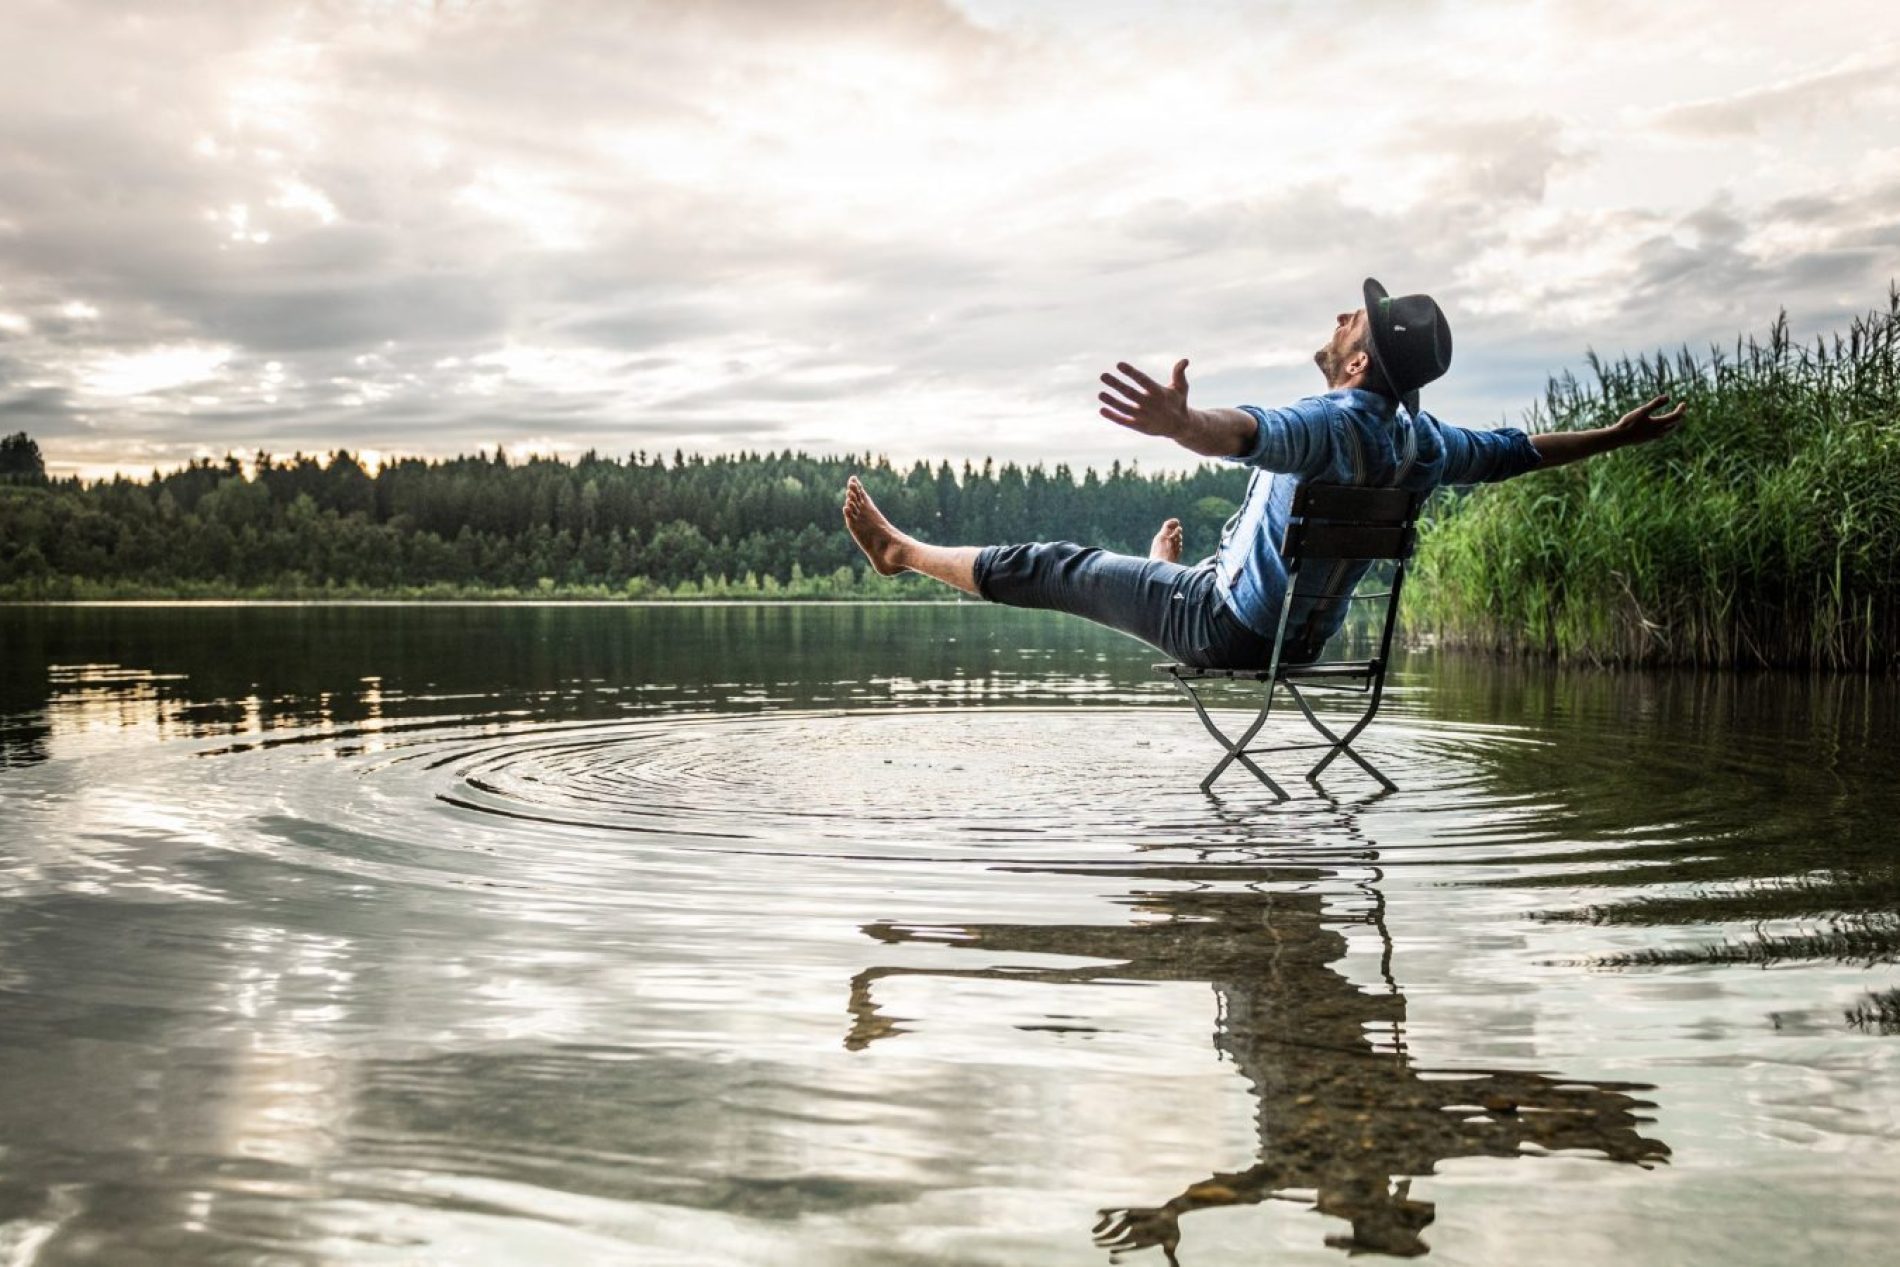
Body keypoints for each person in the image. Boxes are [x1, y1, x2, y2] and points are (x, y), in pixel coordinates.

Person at [841, 278, 1687, 668]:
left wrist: (1183, 425)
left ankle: (903, 554)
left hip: (1229, 630)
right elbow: (1513, 451)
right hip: (1303, 643)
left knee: (1058, 566)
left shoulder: (1329, 425)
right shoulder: (1424, 444)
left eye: (1356, 320)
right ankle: (1168, 574)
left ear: (1358, 366)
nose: (1343, 313)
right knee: (1177, 575)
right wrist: (1612, 436)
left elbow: (1250, 432)